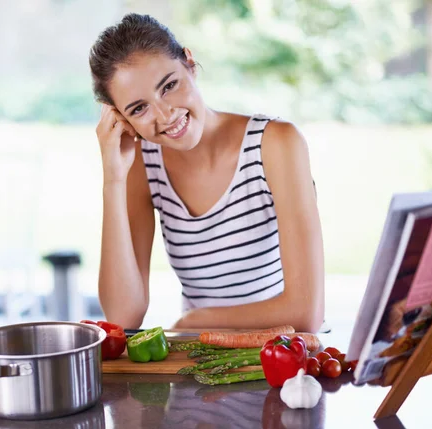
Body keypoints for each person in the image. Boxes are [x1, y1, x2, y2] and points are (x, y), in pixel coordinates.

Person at [89, 13, 325, 331]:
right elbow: (123, 317)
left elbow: (305, 313)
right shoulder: (143, 163)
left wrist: (196, 321)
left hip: (285, 354)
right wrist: (113, 180)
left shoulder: (275, 144)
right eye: (138, 108)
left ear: (189, 63)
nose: (165, 115)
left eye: (169, 85)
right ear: (121, 117)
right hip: (204, 360)